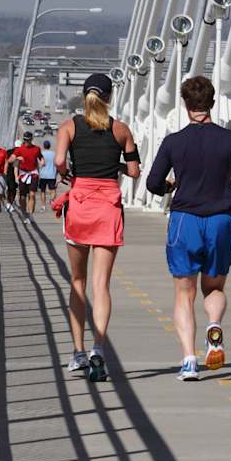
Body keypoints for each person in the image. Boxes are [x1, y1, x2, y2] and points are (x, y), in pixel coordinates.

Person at [145, 75, 231, 381]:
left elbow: (153, 183)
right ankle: (214, 325)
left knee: (184, 293)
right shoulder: (230, 139)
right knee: (215, 287)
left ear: (185, 104)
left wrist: (170, 185)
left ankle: (189, 360)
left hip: (185, 221)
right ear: (212, 103)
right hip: (220, 220)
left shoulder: (174, 141)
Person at [53, 73, 140, 382]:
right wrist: (114, 163)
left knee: (77, 279)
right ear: (110, 96)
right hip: (108, 208)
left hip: (79, 205)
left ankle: (77, 353)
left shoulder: (69, 126)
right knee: (100, 284)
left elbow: (60, 160)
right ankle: (98, 349)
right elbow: (133, 170)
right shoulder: (120, 129)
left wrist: (69, 172)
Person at [9, 131, 44, 214]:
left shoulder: (37, 149)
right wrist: (17, 158)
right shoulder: (19, 149)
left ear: (31, 139)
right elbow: (10, 160)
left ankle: (31, 214)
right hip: (23, 174)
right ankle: (24, 213)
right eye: (25, 140)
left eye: (28, 140)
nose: (26, 142)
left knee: (32, 194)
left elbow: (41, 158)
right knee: (22, 197)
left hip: (33, 173)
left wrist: (42, 163)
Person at [38, 139, 59, 204]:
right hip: (52, 175)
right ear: (49, 146)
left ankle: (43, 205)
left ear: (44, 146)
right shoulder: (54, 154)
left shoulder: (41, 154)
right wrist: (57, 173)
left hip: (42, 175)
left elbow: (39, 164)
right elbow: (57, 164)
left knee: (43, 191)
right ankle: (52, 201)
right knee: (53, 190)